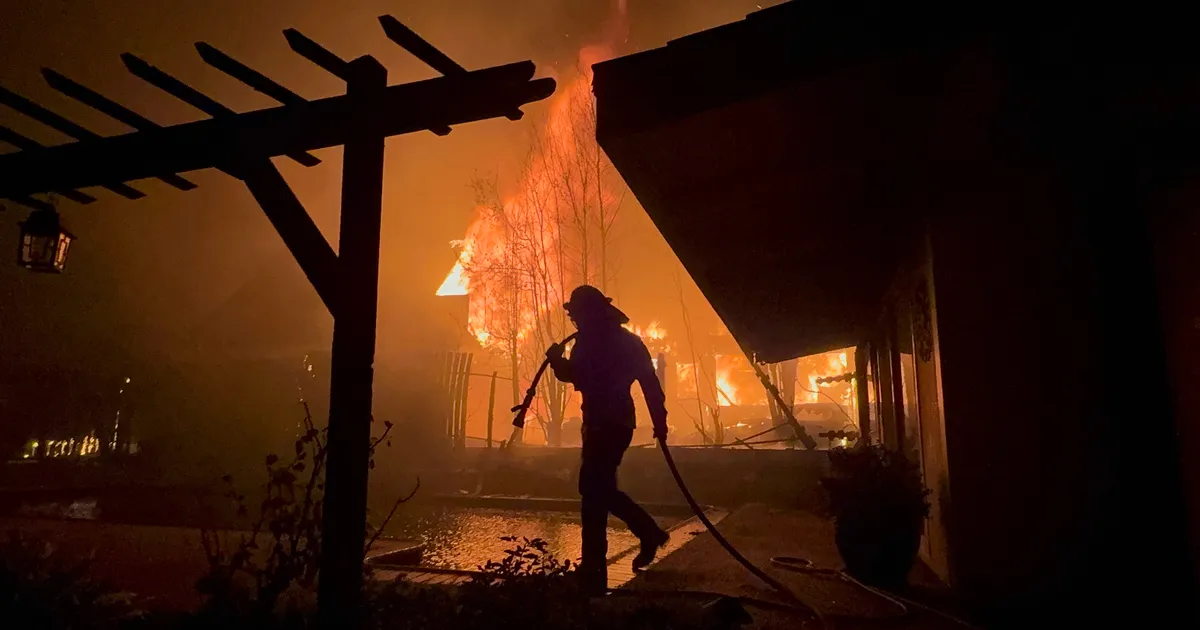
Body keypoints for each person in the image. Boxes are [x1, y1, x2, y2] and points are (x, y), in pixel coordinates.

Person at [546, 285, 671, 594]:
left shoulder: (590, 343)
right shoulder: (629, 342)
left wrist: (556, 362)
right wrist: (660, 420)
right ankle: (601, 564)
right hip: (619, 424)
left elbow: (580, 376)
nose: (575, 320)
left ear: (589, 313)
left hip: (603, 424)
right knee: (598, 489)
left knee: (592, 490)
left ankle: (601, 565)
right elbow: (650, 384)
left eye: (577, 314)